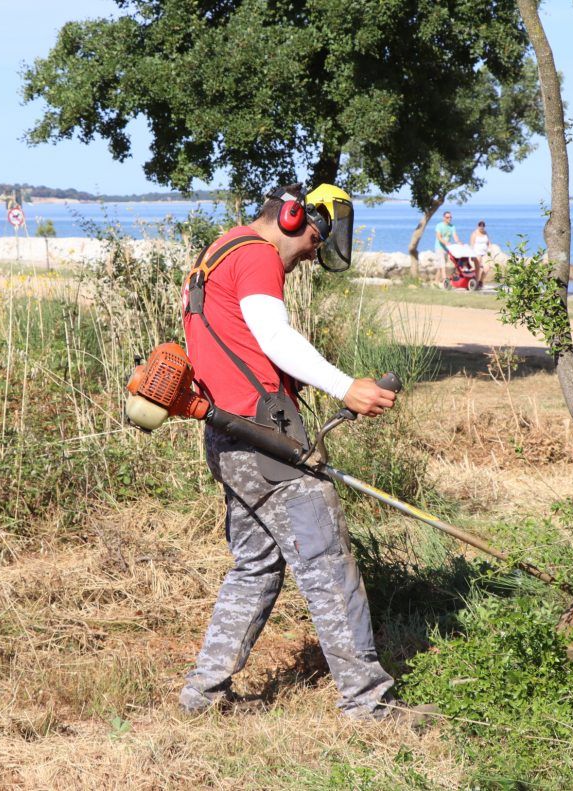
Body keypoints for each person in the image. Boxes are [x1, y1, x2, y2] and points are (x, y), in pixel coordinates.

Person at [178, 183, 427, 722]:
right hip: (265, 441)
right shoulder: (258, 255)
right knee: (328, 564)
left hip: (228, 439)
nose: (312, 255)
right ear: (292, 217)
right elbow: (274, 337)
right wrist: (346, 387)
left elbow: (241, 346)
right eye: (315, 240)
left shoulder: (217, 252)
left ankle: (203, 694)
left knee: (256, 566)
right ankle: (368, 704)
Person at [433, 210, 460, 282]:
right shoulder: (439, 225)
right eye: (447, 217)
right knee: (443, 265)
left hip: (447, 249)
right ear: (444, 218)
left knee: (440, 267)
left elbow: (455, 236)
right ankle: (445, 281)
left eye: (450, 217)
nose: (449, 219)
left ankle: (435, 282)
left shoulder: (452, 226)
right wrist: (446, 243)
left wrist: (459, 242)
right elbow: (439, 237)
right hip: (439, 247)